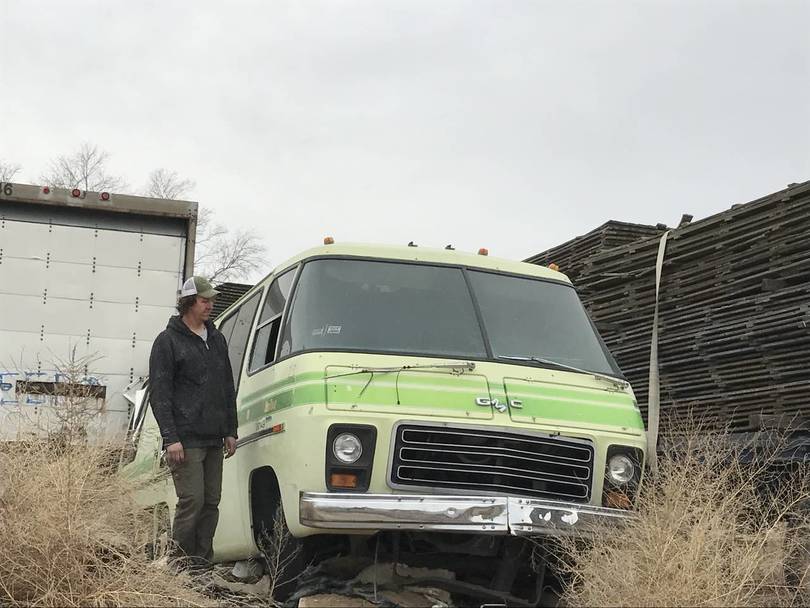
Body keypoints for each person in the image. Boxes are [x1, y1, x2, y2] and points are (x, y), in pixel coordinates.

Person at [148, 276, 238, 567]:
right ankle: (181, 563)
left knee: (212, 502)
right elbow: (160, 393)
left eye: (211, 300)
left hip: (214, 437)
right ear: (188, 302)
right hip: (185, 440)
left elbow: (227, 387)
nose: (210, 305)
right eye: (204, 300)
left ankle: (202, 565)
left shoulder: (217, 338)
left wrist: (230, 430)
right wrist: (170, 437)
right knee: (193, 501)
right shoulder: (168, 341)